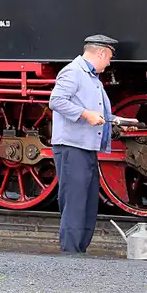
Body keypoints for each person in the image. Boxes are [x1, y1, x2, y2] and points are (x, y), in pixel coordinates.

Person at [47, 34, 118, 254]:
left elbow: (100, 112)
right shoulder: (73, 72)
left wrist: (118, 122)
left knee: (87, 203)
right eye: (109, 58)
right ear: (100, 53)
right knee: (75, 201)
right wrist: (85, 115)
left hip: (86, 147)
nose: (108, 63)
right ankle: (70, 252)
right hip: (71, 146)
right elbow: (56, 101)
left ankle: (79, 251)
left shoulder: (92, 78)